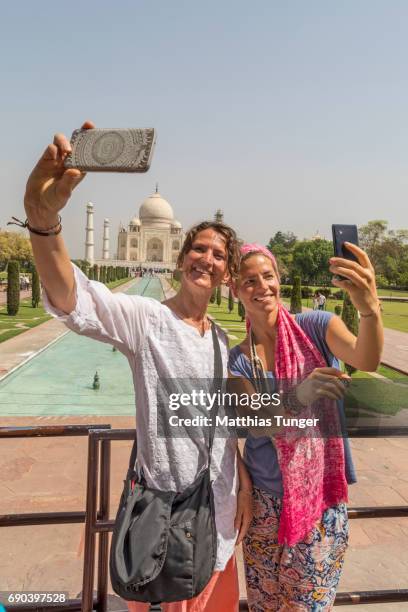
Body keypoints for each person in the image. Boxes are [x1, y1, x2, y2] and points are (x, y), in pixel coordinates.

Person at [23, 121, 253, 612]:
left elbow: (228, 422)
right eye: (197, 249)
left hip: (220, 508)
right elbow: (72, 296)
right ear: (180, 256)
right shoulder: (146, 318)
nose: (205, 259)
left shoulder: (220, 338)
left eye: (217, 255)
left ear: (227, 273)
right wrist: (42, 220)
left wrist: (246, 478)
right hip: (165, 519)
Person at [228, 242, 383, 611]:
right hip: (265, 503)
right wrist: (301, 393)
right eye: (249, 280)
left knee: (307, 606)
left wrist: (369, 308)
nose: (261, 286)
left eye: (268, 276)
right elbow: (256, 423)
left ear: (279, 280)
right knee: (266, 603)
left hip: (318, 502)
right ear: (234, 290)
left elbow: (367, 357)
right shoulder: (239, 360)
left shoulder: (315, 326)